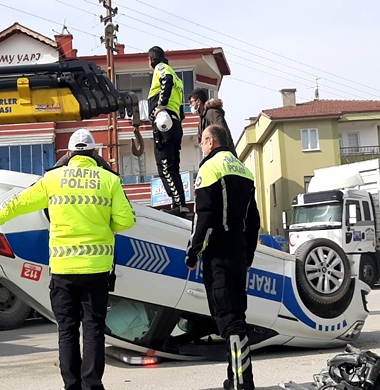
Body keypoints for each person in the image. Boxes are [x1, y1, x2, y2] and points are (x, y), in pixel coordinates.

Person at [0, 129, 136, 390]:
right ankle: (92, 386)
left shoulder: (53, 179)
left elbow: (19, 202)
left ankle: (71, 386)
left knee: (67, 330)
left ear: (69, 153)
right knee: (94, 329)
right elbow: (127, 219)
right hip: (96, 270)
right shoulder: (109, 181)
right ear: (94, 154)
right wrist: (104, 223)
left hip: (63, 271)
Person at [185, 124, 261, 390]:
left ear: (210, 141)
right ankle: (235, 377)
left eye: (202, 142)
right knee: (237, 315)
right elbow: (254, 222)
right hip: (239, 252)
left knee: (229, 321)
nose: (201, 147)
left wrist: (193, 252)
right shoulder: (244, 170)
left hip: (218, 253)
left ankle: (242, 382)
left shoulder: (209, 168)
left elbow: (203, 217)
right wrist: (249, 255)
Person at [147, 46, 187, 217]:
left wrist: (160, 106)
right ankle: (180, 204)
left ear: (151, 60)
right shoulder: (180, 80)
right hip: (175, 123)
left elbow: (166, 79)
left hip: (165, 122)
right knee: (173, 166)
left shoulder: (161, 68)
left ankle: (178, 204)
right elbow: (181, 109)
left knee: (164, 164)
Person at [189, 88, 236, 156]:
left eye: (191, 102)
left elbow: (223, 134)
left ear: (198, 101)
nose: (190, 106)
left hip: (224, 158)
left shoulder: (212, 113)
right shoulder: (202, 120)